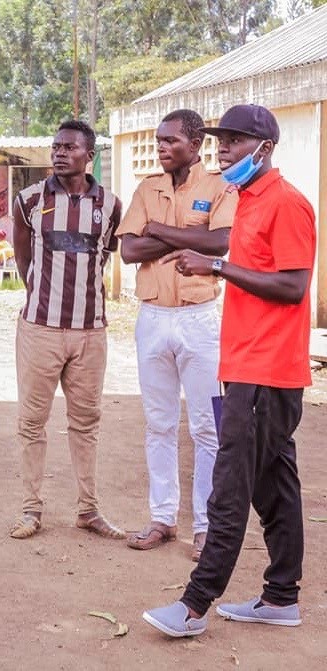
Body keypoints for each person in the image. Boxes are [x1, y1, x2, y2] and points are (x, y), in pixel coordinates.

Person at [143, 105, 315, 637]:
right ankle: (281, 598)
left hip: (268, 371)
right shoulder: (246, 201)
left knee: (230, 484)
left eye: (236, 141)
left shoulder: (287, 204)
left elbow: (293, 287)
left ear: (265, 147)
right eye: (222, 139)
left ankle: (194, 606)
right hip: (245, 365)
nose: (225, 149)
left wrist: (216, 265)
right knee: (274, 485)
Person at [118, 109, 237, 561]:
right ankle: (163, 519)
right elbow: (129, 250)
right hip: (152, 318)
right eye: (158, 140)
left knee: (207, 426)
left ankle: (206, 526)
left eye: (170, 140)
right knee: (160, 424)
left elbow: (220, 242)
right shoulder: (147, 188)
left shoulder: (220, 187)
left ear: (196, 143)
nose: (161, 147)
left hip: (199, 318)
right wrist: (189, 237)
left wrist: (161, 231)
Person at [9, 120, 125, 541]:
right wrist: (40, 290)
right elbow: (23, 255)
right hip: (39, 328)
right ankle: (30, 509)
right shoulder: (29, 201)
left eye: (69, 147)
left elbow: (104, 256)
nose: (59, 153)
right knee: (31, 421)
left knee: (86, 421)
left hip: (90, 332)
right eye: (55, 146)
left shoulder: (110, 205)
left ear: (88, 154)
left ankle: (88, 510)